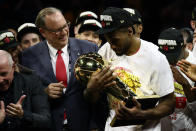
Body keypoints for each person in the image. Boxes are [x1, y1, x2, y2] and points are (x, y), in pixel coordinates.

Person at [87, 7, 175, 131]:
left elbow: (169, 104)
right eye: (107, 39)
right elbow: (93, 99)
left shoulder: (156, 57)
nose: (111, 45)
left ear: (129, 31)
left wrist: (142, 114)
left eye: (115, 40)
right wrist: (91, 90)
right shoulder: (105, 51)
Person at [21, 7, 108, 131]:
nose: (63, 32)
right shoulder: (29, 56)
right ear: (43, 32)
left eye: (65, 26)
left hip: (83, 123)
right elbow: (25, 94)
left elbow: (101, 93)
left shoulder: (89, 48)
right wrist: (44, 93)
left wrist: (95, 125)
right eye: (56, 30)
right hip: (49, 124)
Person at [0, 50, 51, 131]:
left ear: (13, 67)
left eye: (3, 74)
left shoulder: (31, 82)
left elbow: (45, 121)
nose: (0, 80)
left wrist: (22, 115)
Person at [157, 27, 195, 131]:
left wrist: (185, 84)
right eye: (165, 56)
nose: (169, 61)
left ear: (184, 47)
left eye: (173, 56)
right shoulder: (157, 60)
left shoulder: (194, 64)